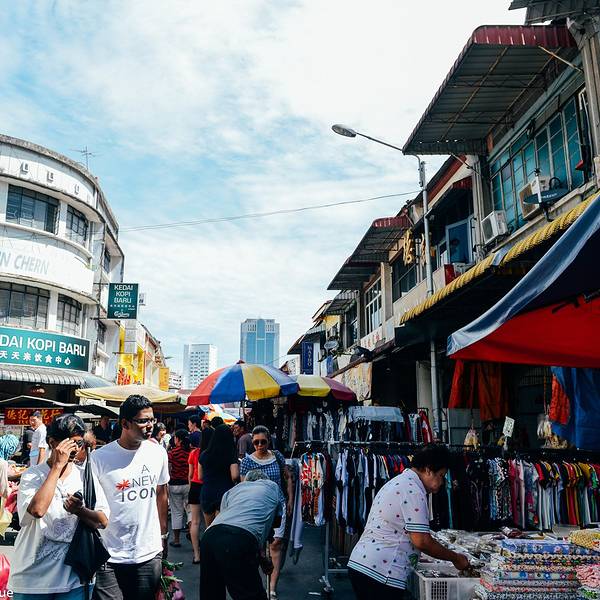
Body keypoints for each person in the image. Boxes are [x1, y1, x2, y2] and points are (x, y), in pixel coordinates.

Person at [347, 444, 470, 600]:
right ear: (428, 470)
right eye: (441, 475)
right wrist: (456, 558)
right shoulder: (413, 491)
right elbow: (422, 541)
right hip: (382, 572)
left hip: (366, 565)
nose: (442, 482)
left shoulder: (400, 482)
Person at [9, 414, 109, 600]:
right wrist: (56, 467)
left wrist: (80, 511)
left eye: (78, 443)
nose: (74, 449)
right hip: (32, 581)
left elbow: (103, 521)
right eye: (68, 443)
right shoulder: (32, 476)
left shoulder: (85, 477)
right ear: (52, 442)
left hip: (75, 577)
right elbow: (37, 510)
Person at [91, 395, 170, 600]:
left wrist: (163, 535)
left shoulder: (158, 453)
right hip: (108, 554)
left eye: (152, 419)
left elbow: (161, 494)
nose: (150, 425)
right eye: (143, 421)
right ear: (125, 423)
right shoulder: (99, 458)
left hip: (148, 553)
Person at [200, 470, 282, 600]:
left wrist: (262, 559)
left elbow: (226, 518)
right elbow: (271, 527)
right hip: (239, 539)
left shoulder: (233, 490)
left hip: (210, 536)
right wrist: (264, 559)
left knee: (212, 593)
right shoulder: (272, 486)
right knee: (251, 595)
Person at [240, 426, 293, 600]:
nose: (260, 445)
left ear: (269, 441)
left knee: (276, 544)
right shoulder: (247, 461)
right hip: (257, 509)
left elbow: (288, 476)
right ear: (252, 443)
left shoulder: (277, 456)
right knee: (258, 547)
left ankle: (272, 587)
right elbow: (243, 488)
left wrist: (290, 499)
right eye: (256, 442)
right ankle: (258, 585)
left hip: (278, 505)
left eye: (263, 441)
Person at [198, 424, 239, 527]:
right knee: (221, 527)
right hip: (225, 493)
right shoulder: (231, 453)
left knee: (209, 527)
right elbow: (235, 475)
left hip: (207, 492)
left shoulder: (204, 454)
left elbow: (200, 476)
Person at [167, 429, 191, 548]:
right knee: (190, 511)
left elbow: (168, 469)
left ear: (178, 439)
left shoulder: (172, 453)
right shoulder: (191, 452)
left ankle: (176, 540)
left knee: (176, 512)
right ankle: (192, 533)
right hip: (188, 484)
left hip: (174, 484)